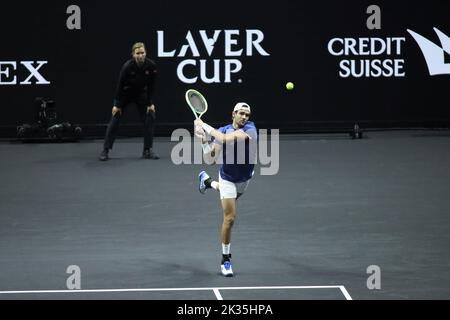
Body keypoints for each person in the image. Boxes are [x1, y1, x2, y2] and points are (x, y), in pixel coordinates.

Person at [194, 102, 257, 277]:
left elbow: (224, 139)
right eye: (241, 113)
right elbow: (210, 159)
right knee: (229, 218)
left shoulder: (250, 130)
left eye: (247, 115)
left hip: (245, 179)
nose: (244, 117)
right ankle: (226, 259)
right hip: (228, 178)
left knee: (228, 200)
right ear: (233, 114)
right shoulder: (222, 130)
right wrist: (202, 139)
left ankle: (207, 182)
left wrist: (203, 125)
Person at [99, 42, 159, 161]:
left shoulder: (151, 65)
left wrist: (150, 103)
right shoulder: (127, 66)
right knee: (115, 118)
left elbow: (151, 86)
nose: (140, 55)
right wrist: (117, 104)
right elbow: (120, 85)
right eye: (138, 53)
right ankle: (105, 150)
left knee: (150, 115)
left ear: (145, 53)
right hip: (126, 94)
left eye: (142, 53)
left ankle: (147, 150)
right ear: (133, 54)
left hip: (141, 94)